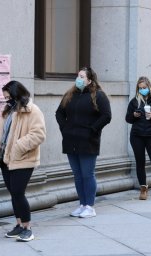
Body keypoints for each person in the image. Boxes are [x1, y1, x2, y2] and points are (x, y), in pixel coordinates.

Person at [0, 80, 46, 242]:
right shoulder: (8, 111)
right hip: (5, 158)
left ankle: (27, 228)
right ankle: (19, 224)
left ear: (17, 94)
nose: (7, 100)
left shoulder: (32, 110)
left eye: (9, 97)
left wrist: (18, 147)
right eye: (5, 98)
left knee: (18, 193)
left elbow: (39, 134)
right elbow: (3, 131)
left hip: (23, 158)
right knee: (13, 193)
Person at [56, 67, 111, 218]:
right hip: (70, 139)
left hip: (88, 141)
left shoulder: (98, 95)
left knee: (87, 174)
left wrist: (92, 130)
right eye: (78, 76)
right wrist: (64, 128)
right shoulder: (70, 94)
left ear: (89, 80)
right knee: (77, 175)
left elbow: (106, 116)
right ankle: (82, 204)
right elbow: (59, 112)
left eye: (81, 76)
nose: (78, 79)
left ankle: (90, 206)